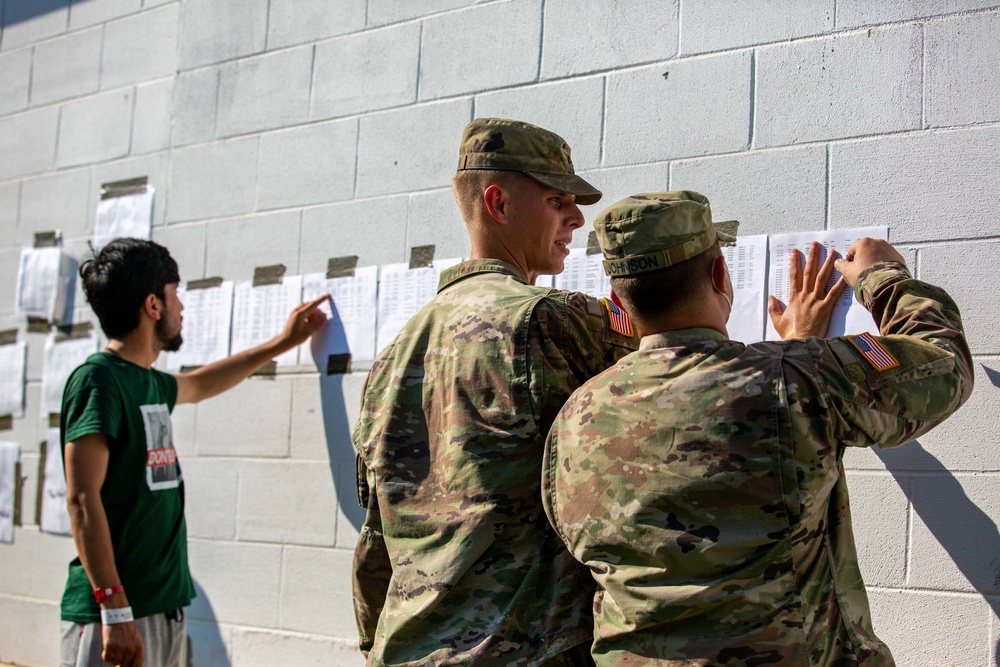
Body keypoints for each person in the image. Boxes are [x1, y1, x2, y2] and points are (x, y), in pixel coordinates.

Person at [542, 191, 974, 666]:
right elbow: (945, 367)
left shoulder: (573, 418)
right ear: (720, 275)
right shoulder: (798, 380)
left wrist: (797, 358)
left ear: (617, 298)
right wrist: (882, 276)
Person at [352, 118, 639, 666]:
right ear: (498, 204)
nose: (577, 219)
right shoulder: (548, 321)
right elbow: (683, 378)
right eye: (558, 200)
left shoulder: (391, 356)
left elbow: (376, 539)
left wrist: (373, 644)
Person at [60, 238, 328, 667]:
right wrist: (114, 607)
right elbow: (81, 500)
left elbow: (201, 384)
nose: (181, 307)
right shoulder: (98, 381)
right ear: (153, 306)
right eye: (174, 294)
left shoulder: (149, 382)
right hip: (116, 617)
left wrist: (282, 343)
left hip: (162, 608)